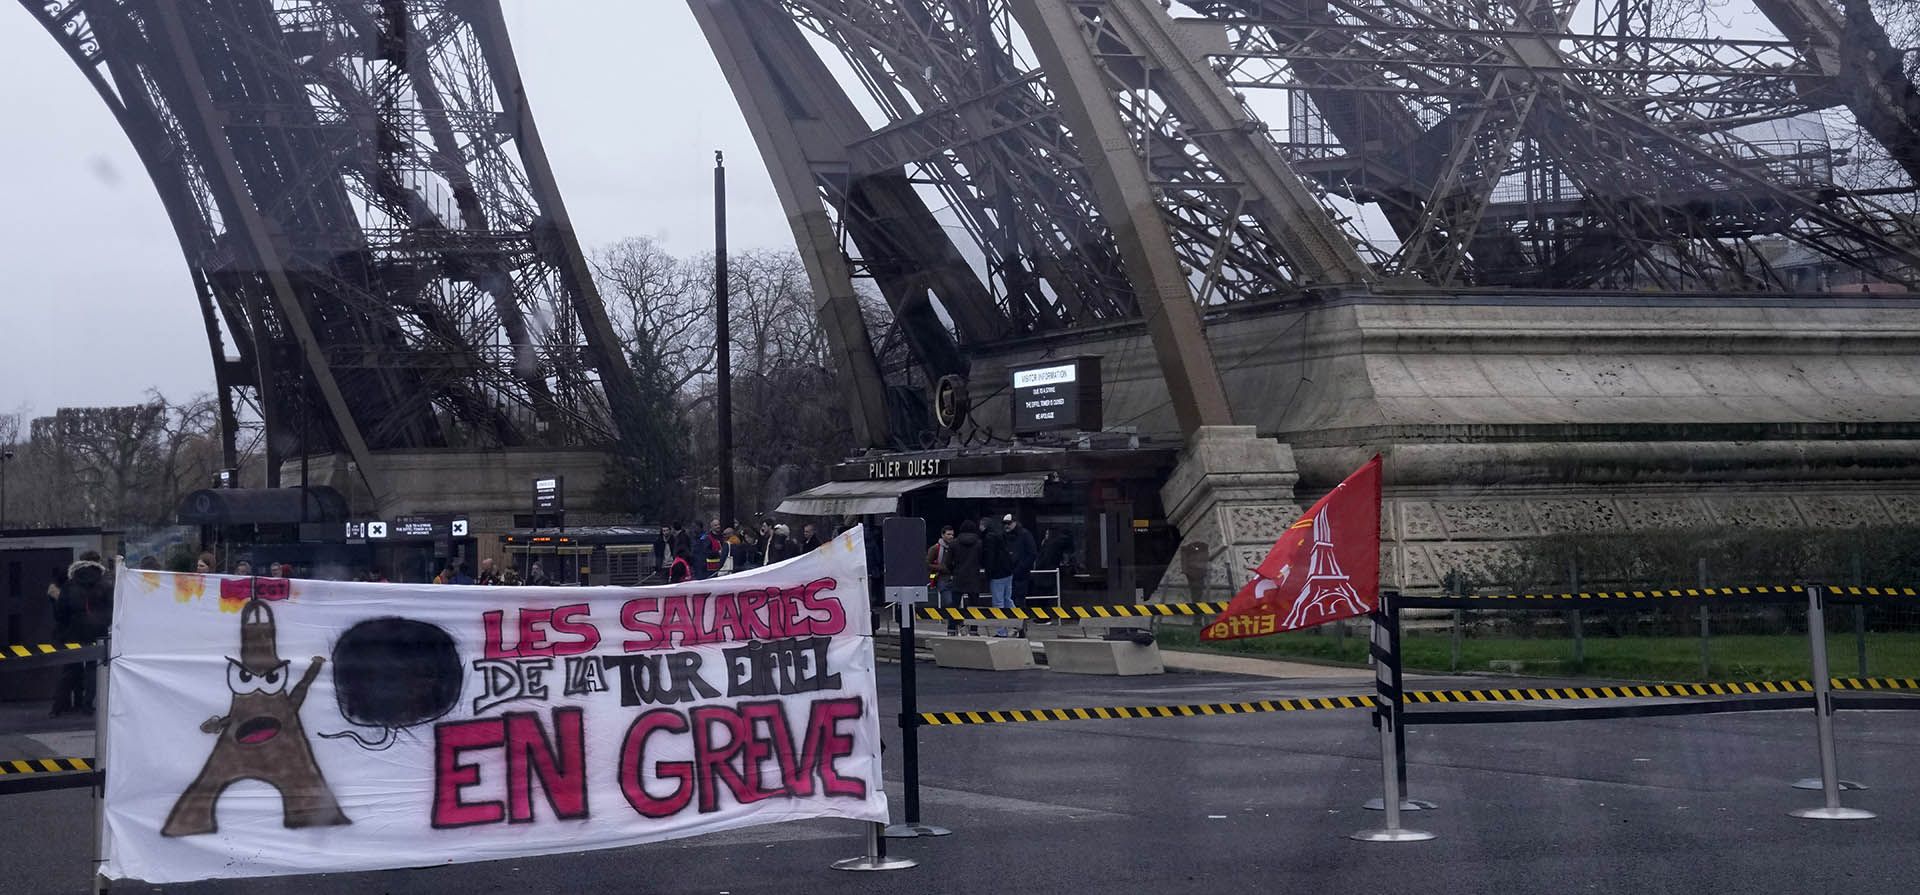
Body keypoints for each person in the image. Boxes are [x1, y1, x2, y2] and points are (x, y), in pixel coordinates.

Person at [51, 551, 113, 716]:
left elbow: (60, 612)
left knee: (70, 668)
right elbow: (111, 609)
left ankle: (57, 708)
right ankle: (88, 706)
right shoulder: (105, 584)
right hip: (97, 632)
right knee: (93, 669)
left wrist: (66, 626)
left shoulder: (70, 584)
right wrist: (102, 622)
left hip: (73, 632)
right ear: (97, 563)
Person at [948, 521, 987, 636]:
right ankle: (974, 629)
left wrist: (953, 570)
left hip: (958, 576)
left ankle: (951, 629)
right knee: (974, 605)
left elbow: (948, 562)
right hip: (973, 577)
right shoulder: (979, 543)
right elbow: (983, 559)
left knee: (954, 605)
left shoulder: (954, 544)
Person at [982, 518, 1014, 636]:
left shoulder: (989, 538)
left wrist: (988, 573)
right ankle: (1018, 624)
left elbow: (989, 558)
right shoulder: (1001, 535)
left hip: (997, 574)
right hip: (1007, 571)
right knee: (1008, 600)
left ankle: (1002, 631)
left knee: (998, 602)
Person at [927, 525, 957, 633]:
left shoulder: (955, 547)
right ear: (942, 535)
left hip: (954, 579)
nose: (951, 537)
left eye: (952, 534)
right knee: (949, 602)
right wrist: (941, 568)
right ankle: (953, 626)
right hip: (942, 579)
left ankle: (953, 626)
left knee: (955, 603)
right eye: (948, 534)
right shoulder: (935, 548)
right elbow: (927, 563)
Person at [1007, 513, 1038, 607]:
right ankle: (1015, 620)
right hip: (1011, 572)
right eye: (1004, 523)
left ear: (1015, 522)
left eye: (1008, 523)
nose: (1006, 525)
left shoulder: (1024, 534)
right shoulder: (1007, 535)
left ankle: (1020, 620)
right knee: (1011, 597)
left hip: (1020, 573)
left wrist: (1021, 568)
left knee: (1018, 597)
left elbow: (1032, 553)